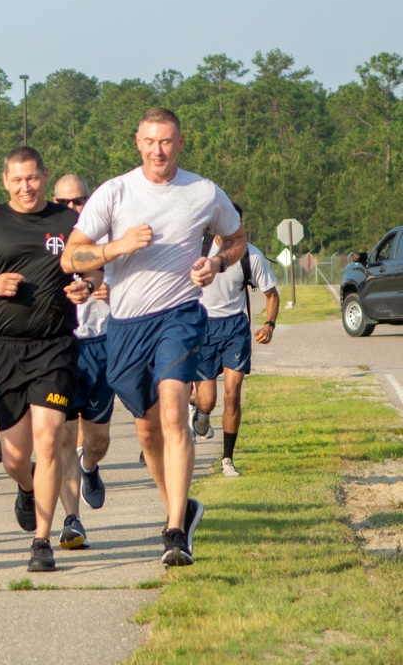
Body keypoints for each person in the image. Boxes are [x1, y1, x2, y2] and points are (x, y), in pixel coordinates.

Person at [62, 107, 247, 567]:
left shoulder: (203, 191)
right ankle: (182, 508)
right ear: (138, 142)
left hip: (179, 316)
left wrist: (217, 263)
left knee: (172, 413)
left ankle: (174, 532)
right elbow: (71, 257)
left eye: (166, 141)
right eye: (150, 141)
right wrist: (116, 247)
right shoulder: (115, 192)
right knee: (147, 434)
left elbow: (237, 238)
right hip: (125, 326)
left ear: (180, 143)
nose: (158, 150)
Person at [0, 147, 101, 572]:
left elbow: (93, 267)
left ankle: (41, 541)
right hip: (3, 348)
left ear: (44, 176)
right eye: (17, 180)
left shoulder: (68, 222)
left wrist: (85, 287)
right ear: (5, 181)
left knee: (51, 438)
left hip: (54, 345)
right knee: (16, 458)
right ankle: (28, 487)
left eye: (32, 178)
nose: (26, 187)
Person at [192, 205, 280, 477]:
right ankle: (201, 414)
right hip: (204, 327)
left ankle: (227, 459)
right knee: (207, 401)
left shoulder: (250, 255)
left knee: (233, 393)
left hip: (235, 328)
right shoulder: (198, 250)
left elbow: (272, 294)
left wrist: (269, 324)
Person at [52, 175, 114, 551]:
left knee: (97, 440)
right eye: (64, 203)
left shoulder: (105, 241)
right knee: (61, 438)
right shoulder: (47, 242)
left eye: (79, 201)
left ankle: (90, 466)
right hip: (59, 347)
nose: (72, 209)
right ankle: (71, 520)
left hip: (101, 343)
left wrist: (109, 290)